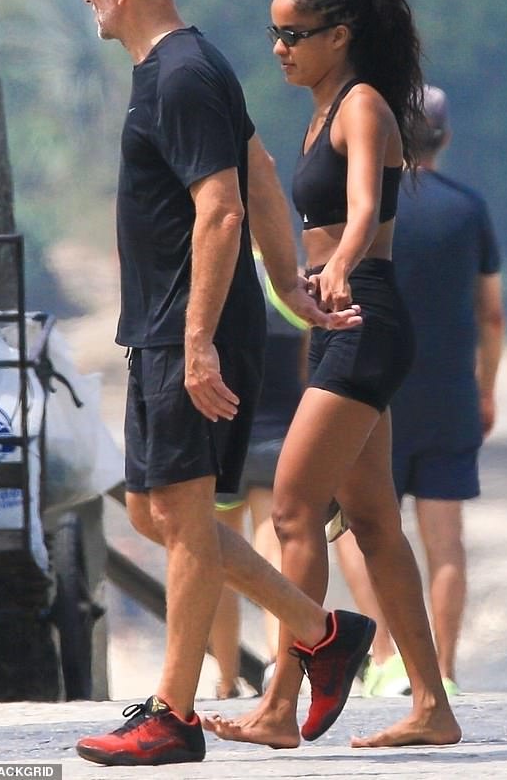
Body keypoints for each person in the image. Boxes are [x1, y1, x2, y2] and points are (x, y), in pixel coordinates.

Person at [75, 0, 371, 768]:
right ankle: (324, 632)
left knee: (186, 517)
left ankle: (171, 716)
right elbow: (263, 172)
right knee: (157, 511)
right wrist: (290, 287)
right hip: (173, 324)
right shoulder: (179, 69)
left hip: (187, 327)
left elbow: (225, 206)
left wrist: (200, 341)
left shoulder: (181, 74)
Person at [203, 0, 462, 749]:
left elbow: (362, 213)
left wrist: (343, 261)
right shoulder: (319, 111)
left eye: (294, 34)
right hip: (333, 324)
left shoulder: (364, 107)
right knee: (376, 523)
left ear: (338, 37)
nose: (279, 48)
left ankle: (281, 703)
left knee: (292, 508)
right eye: (274, 33)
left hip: (365, 317)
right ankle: (431, 705)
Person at [335, 85, 505, 698]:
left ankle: (384, 653)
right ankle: (446, 670)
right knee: (445, 538)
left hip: (375, 387)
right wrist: (486, 391)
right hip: (450, 391)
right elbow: (491, 315)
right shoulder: (468, 207)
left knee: (360, 525)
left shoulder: (367, 207)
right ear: (446, 137)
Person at [210, 246, 309, 699]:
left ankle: (225, 677)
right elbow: (307, 368)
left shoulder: (213, 277)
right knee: (272, 554)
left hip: (225, 436)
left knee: (217, 559)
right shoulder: (289, 279)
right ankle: (276, 664)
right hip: (279, 438)